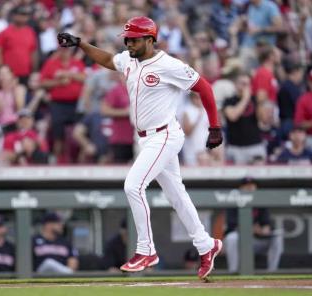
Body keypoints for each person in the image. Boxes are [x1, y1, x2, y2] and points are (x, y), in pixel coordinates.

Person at [58, 16, 223, 280]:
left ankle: (146, 250)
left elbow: (204, 88)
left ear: (150, 39)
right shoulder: (129, 59)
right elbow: (108, 60)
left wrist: (214, 126)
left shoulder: (169, 64)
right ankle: (206, 245)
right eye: (127, 39)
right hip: (146, 138)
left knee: (132, 186)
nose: (129, 43)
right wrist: (81, 44)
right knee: (177, 196)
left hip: (165, 135)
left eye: (133, 39)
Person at [224, 177, 283, 273]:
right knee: (232, 238)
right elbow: (232, 226)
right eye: (246, 186)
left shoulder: (261, 203)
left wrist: (265, 229)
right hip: (239, 241)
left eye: (252, 186)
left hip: (256, 241)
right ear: (240, 188)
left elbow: (266, 224)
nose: (250, 188)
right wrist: (249, 229)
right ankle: (233, 271)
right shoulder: (233, 202)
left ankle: (272, 272)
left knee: (277, 238)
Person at [40, 46, 86, 160]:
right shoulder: (51, 63)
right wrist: (58, 82)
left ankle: (79, 160)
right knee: (58, 134)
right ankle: (57, 159)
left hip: (76, 103)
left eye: (67, 50)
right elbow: (43, 83)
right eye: (62, 50)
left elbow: (85, 78)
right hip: (58, 104)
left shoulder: (77, 62)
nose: (65, 52)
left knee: (80, 131)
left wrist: (68, 74)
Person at [223, 73, 266, 164]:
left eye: (248, 84)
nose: (245, 87)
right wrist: (245, 99)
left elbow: (263, 120)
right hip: (235, 147)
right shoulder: (229, 101)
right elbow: (232, 116)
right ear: (235, 84)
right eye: (243, 83)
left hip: (254, 146)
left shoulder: (255, 100)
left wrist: (261, 103)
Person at [0, 5, 38, 85]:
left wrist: (34, 71)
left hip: (25, 73)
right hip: (8, 75)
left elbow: (33, 53)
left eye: (25, 15)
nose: (23, 17)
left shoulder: (31, 32)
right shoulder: (4, 33)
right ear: (14, 15)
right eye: (20, 14)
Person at [100, 72, 134, 164]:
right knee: (121, 165)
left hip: (138, 137)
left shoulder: (138, 89)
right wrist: (125, 112)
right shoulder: (116, 91)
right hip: (121, 138)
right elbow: (104, 110)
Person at [277, 62, 304, 139]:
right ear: (295, 72)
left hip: (286, 121)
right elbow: (299, 104)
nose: (301, 76)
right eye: (300, 73)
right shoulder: (290, 87)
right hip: (289, 122)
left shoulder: (287, 85)